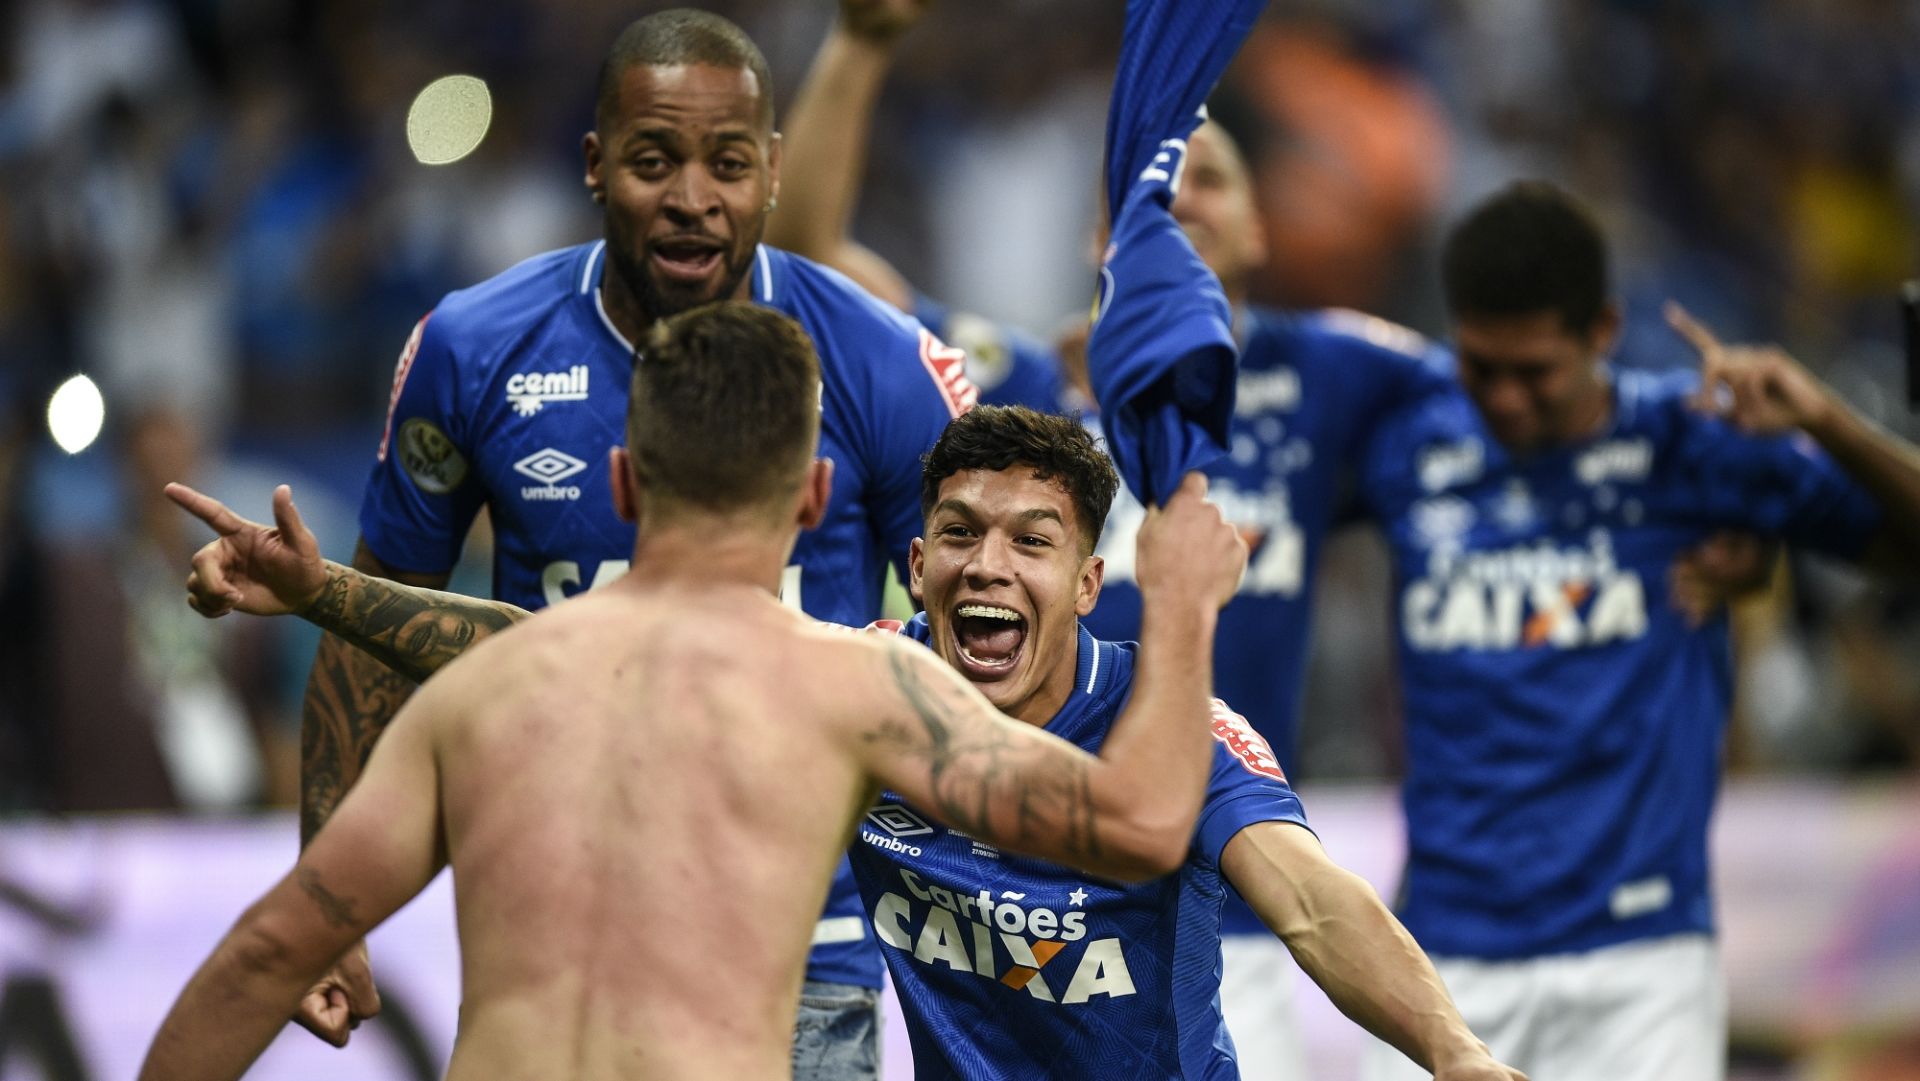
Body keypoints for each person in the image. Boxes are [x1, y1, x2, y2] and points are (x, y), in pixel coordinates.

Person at [171, 398, 1524, 1081]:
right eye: (959, 535)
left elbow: (1313, 905)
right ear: (912, 558)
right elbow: (552, 661)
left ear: (1086, 585)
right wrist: (322, 592)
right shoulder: (863, 689)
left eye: (1032, 543)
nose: (989, 567)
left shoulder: (1175, 730)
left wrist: (1455, 1055)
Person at [142, 302, 1245, 1081]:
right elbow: (1144, 823)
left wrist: (328, 588)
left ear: (623, 481)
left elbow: (263, 955)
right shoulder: (857, 691)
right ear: (816, 497)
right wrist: (1185, 606)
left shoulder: (483, 699)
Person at [297, 9, 977, 1069]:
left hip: (803, 962)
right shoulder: (473, 350)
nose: (694, 199)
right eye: (654, 160)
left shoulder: (884, 364)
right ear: (595, 162)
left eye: (729, 163)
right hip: (551, 945)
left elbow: (975, 651)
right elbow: (369, 629)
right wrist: (325, 909)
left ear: (774, 173)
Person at [1354, 181, 1920, 1081]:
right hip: (1438, 950)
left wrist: (1826, 422)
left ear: (1603, 332)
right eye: (1481, 366)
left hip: (1639, 954)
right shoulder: (1406, 447)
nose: (1503, 398)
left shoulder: (1693, 442)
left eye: (1534, 371)